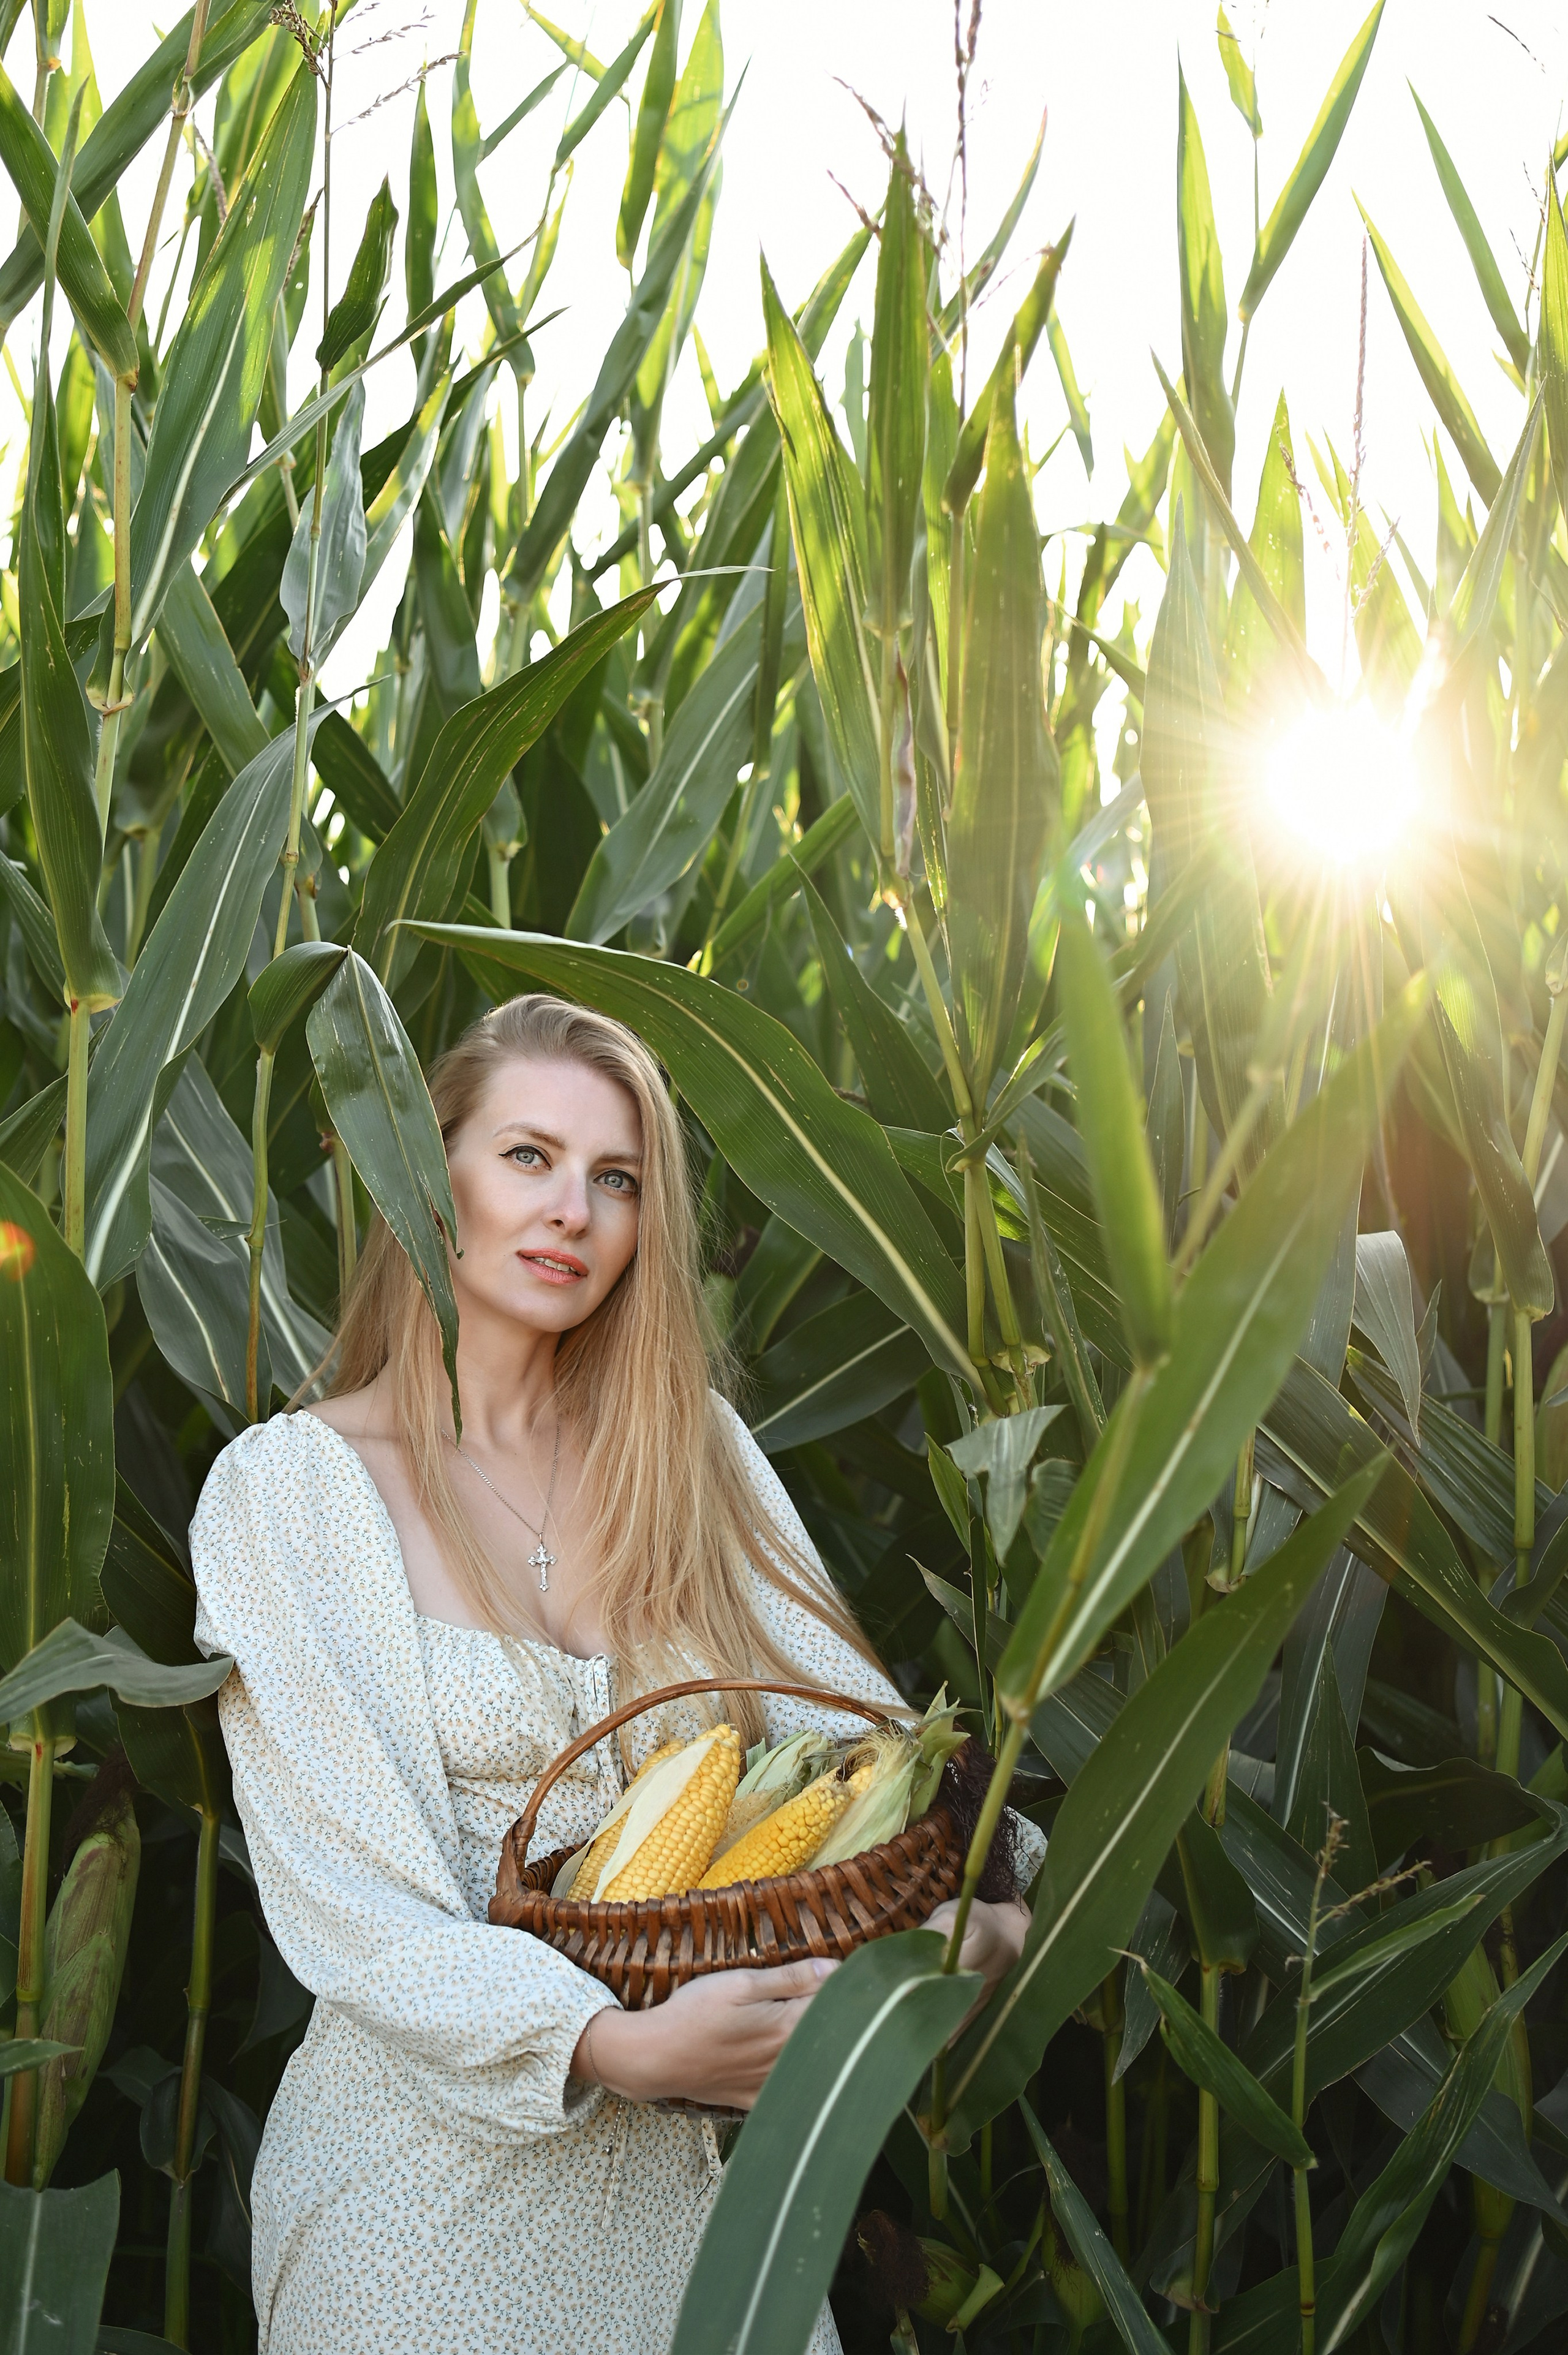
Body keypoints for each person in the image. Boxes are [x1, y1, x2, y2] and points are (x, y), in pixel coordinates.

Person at [190, 992, 1040, 2355]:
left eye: (615, 1178)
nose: (571, 1208)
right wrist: (609, 2041)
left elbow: (877, 1753)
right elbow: (352, 1901)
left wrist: (972, 1914)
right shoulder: (291, 1490)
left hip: (715, 2208)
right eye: (526, 1155)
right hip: (421, 2208)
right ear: (431, 1169)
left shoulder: (687, 1451)